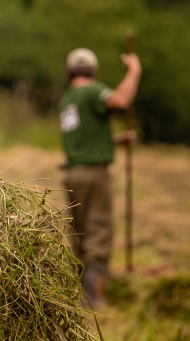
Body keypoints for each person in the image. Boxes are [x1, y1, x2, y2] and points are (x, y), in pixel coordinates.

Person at [59, 47, 141, 308]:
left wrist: (114, 141)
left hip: (73, 174)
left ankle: (78, 291)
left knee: (79, 231)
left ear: (70, 72)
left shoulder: (69, 99)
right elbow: (120, 102)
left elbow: (85, 141)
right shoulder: (92, 91)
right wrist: (134, 71)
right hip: (94, 174)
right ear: (92, 71)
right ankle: (95, 297)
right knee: (99, 229)